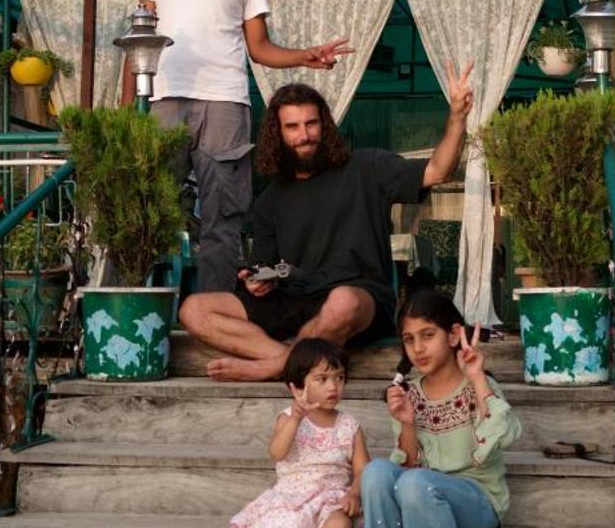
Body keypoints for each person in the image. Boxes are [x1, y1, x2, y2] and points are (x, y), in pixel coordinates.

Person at [131, 0, 352, 295]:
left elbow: (260, 47)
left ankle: (215, 318)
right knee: (146, 210)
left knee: (222, 222)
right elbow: (139, 41)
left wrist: (307, 56)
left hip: (225, 104)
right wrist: (130, 114)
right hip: (164, 100)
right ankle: (137, 312)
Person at [178, 69, 475, 381]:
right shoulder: (270, 200)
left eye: (311, 124)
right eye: (292, 127)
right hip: (295, 299)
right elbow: (264, 270)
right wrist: (257, 281)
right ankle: (287, 361)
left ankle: (274, 367)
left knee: (342, 301)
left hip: (359, 299)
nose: (304, 135)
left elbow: (438, 171)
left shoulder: (367, 167)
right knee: (194, 310)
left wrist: (456, 116)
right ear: (277, 134)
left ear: (325, 124)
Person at [355, 288, 519, 528]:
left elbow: (506, 435)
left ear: (454, 334)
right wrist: (407, 424)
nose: (418, 348)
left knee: (415, 483)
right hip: (422, 496)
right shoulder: (408, 394)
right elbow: (411, 467)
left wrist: (476, 378)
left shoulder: (478, 385)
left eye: (428, 335)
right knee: (375, 473)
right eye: (409, 339)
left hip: (478, 502)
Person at [219, 338, 369, 528]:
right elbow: (277, 452)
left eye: (339, 378)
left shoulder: (349, 424)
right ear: (298, 386)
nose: (333, 387)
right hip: (291, 495)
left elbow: (362, 467)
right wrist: (295, 420)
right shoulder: (289, 418)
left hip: (331, 497)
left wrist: (353, 492)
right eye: (322, 379)